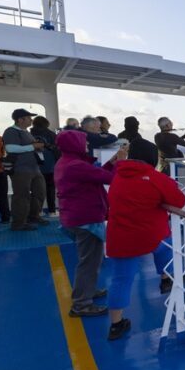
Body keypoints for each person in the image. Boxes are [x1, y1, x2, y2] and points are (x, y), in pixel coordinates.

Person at [105, 156, 185, 340]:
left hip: (121, 237)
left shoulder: (117, 174)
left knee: (120, 280)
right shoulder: (155, 177)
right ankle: (166, 279)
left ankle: (116, 325)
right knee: (165, 248)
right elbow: (179, 201)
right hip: (151, 235)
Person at [56, 131, 129, 316]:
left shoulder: (66, 162)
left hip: (75, 217)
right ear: (75, 144)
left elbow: (98, 174)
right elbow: (110, 178)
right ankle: (81, 304)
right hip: (85, 219)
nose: (87, 145)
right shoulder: (75, 166)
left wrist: (112, 164)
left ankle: (88, 291)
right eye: (84, 142)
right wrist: (120, 162)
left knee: (90, 260)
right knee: (89, 262)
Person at [2, 108, 48, 231]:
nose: (31, 120)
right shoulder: (11, 132)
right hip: (20, 169)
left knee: (40, 192)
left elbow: (28, 147)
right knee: (21, 196)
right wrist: (33, 146)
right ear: (20, 119)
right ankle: (18, 223)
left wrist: (37, 147)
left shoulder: (26, 132)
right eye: (29, 118)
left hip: (34, 168)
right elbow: (10, 148)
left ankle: (33, 216)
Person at [30, 116, 60, 215]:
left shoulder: (29, 134)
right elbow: (57, 150)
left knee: (35, 189)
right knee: (50, 189)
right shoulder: (51, 134)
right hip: (50, 166)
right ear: (46, 124)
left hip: (34, 166)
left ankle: (38, 211)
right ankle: (52, 211)